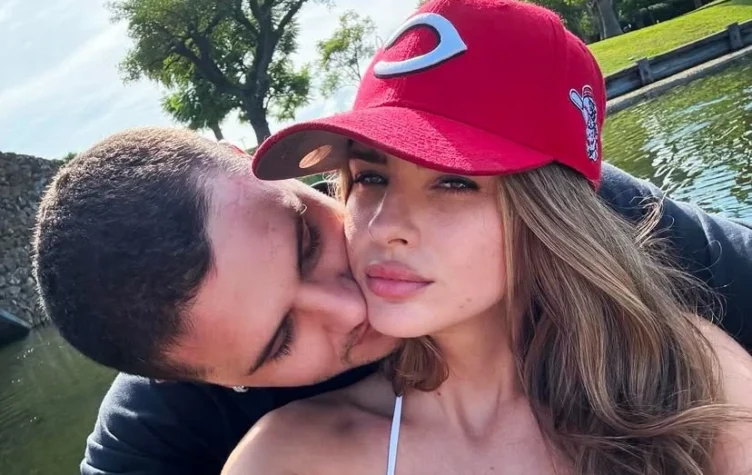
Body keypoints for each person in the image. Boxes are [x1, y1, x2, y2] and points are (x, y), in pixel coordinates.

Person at [30, 8, 752, 475]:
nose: (355, 300)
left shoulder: (678, 356)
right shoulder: (236, 442)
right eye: (282, 339)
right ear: (213, 383)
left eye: (306, 240)